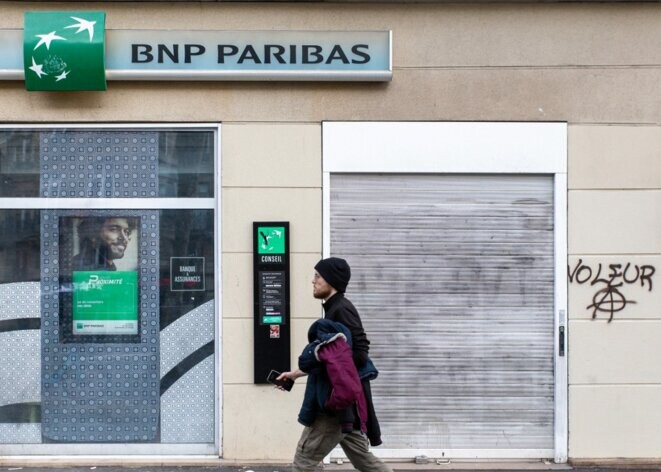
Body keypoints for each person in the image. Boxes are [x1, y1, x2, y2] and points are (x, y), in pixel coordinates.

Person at [277, 257, 392, 472]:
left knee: (303, 462)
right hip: (344, 405)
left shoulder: (341, 309)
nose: (313, 281)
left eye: (318, 276)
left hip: (334, 405)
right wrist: (294, 374)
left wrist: (330, 364)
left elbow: (359, 353)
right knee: (364, 461)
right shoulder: (334, 309)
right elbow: (331, 357)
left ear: (331, 280)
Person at [72, 217, 137, 271]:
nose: (124, 238)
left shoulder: (110, 266)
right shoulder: (78, 266)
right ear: (93, 234)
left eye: (126, 232)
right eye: (114, 229)